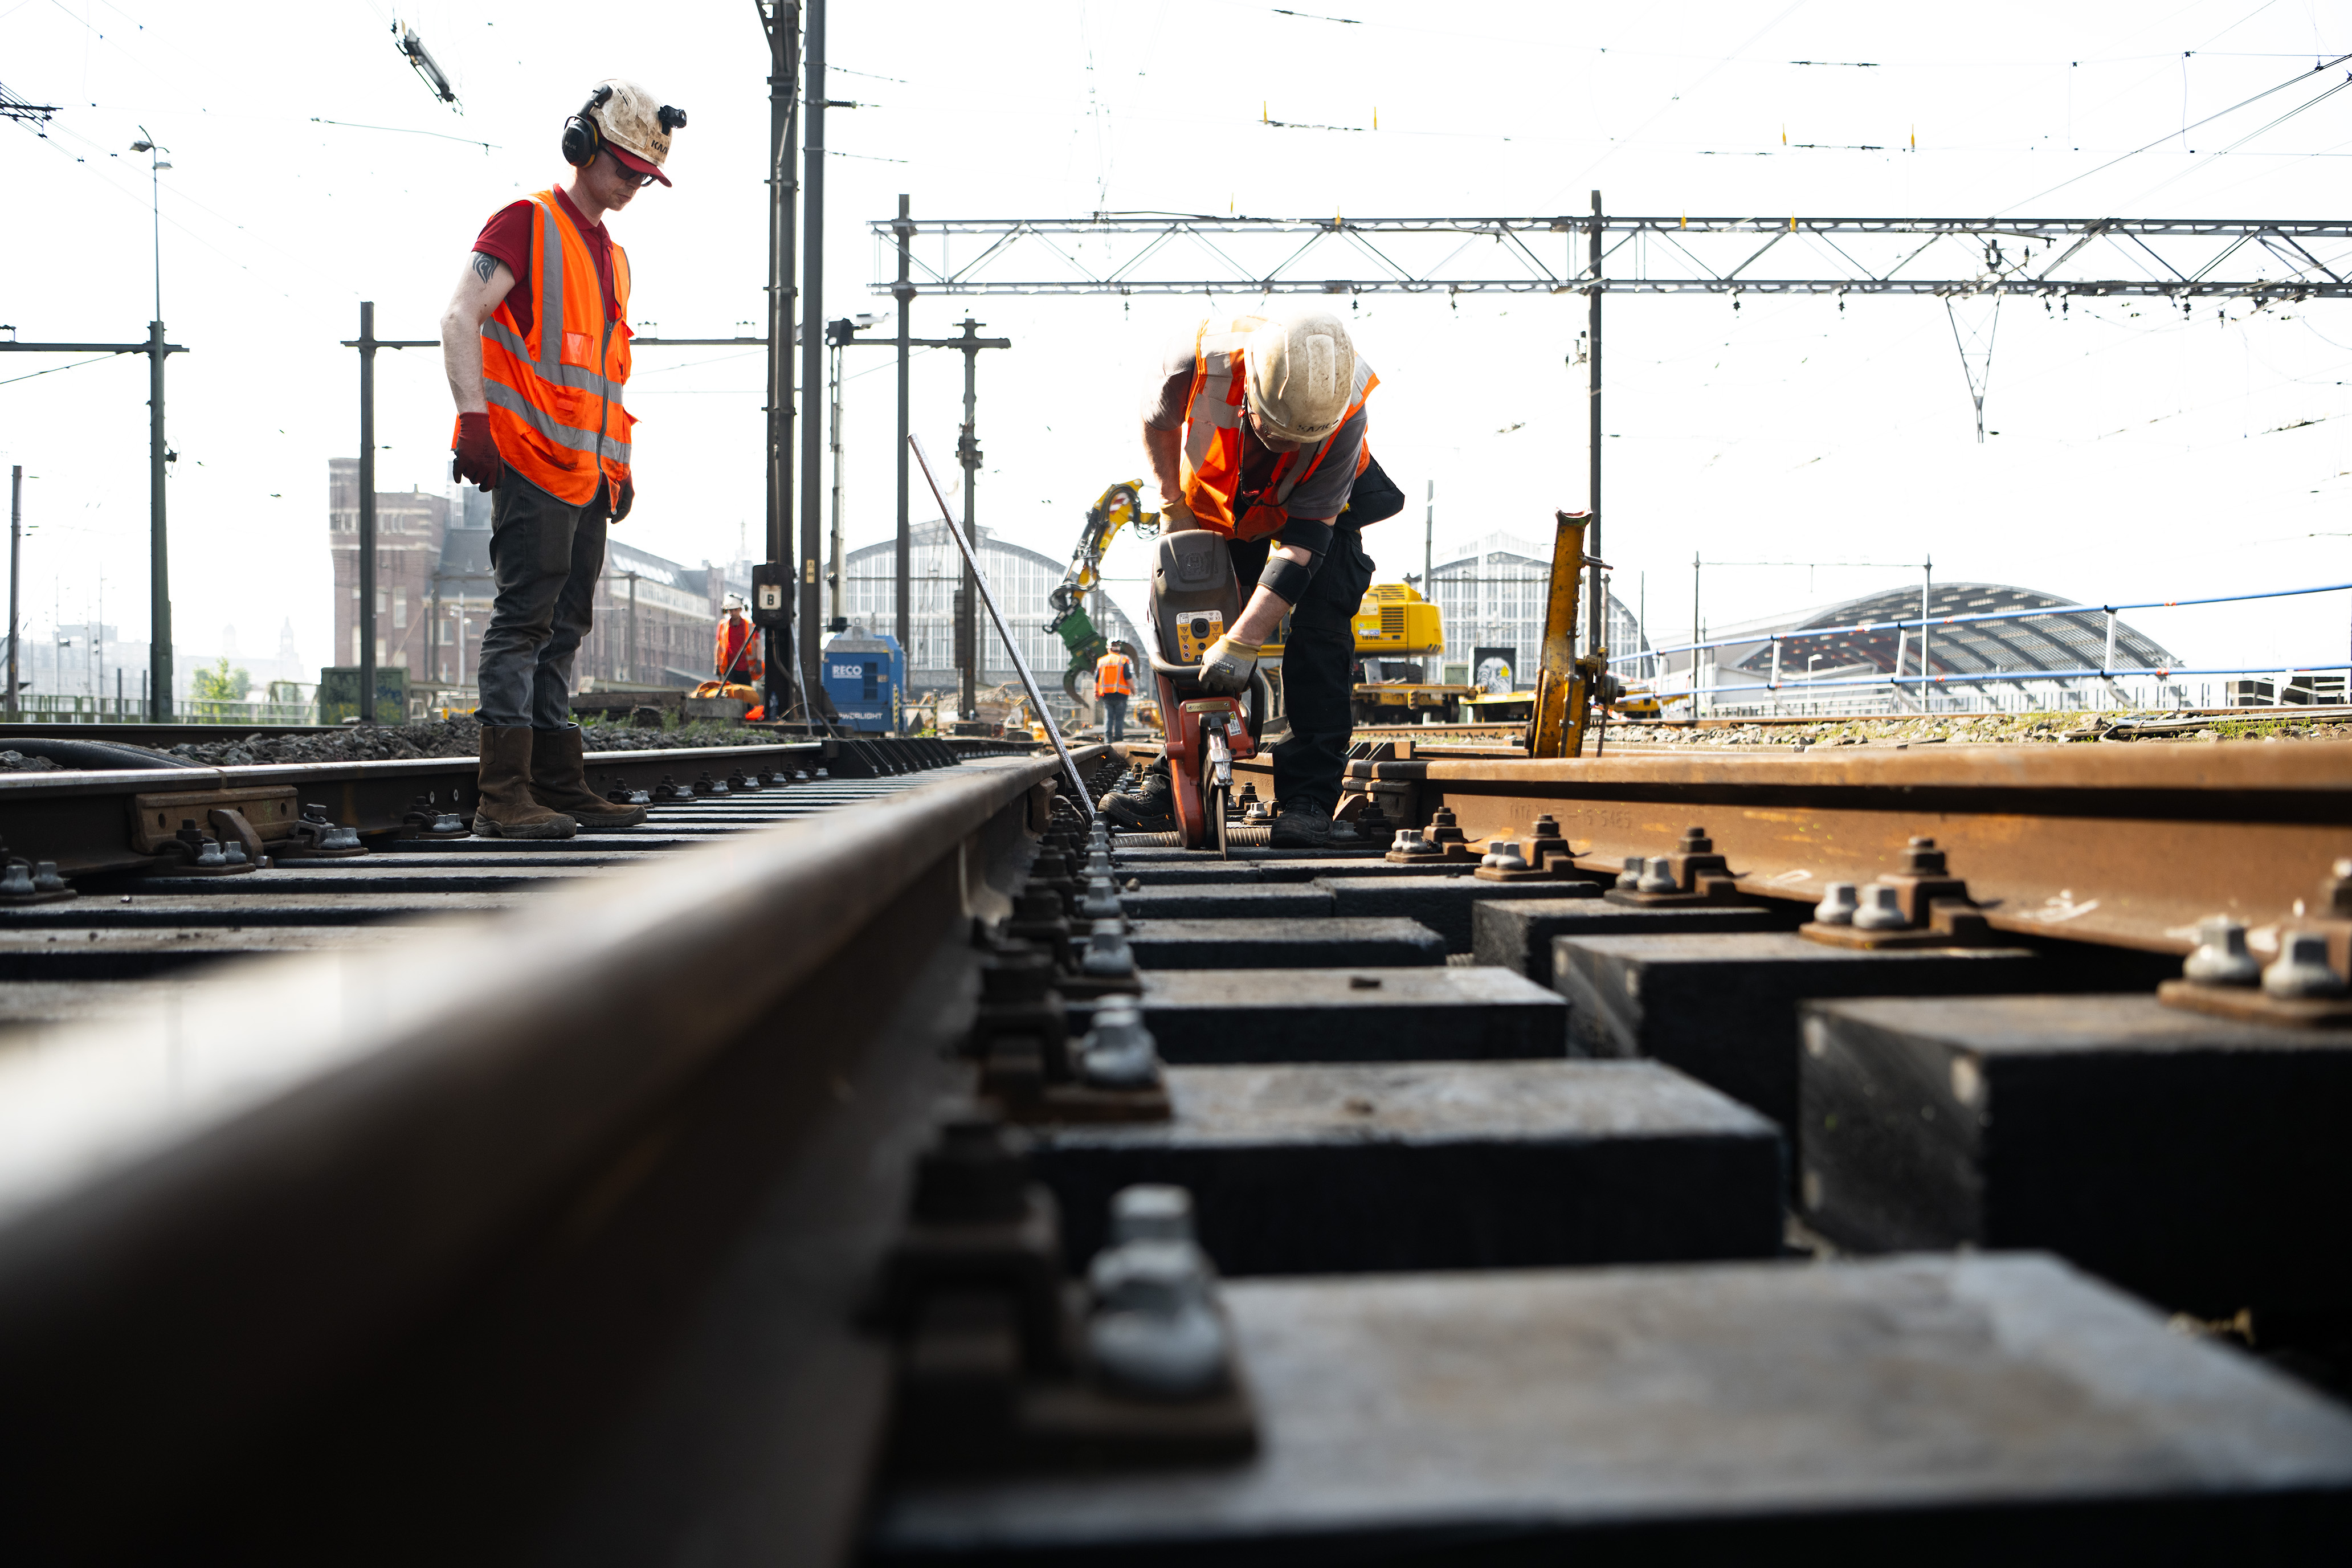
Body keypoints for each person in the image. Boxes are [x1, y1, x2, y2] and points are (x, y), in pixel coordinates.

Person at [441, 79, 685, 838]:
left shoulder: (613, 259)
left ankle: (557, 781)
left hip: (586, 477)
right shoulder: (528, 223)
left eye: (646, 176)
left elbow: (602, 377)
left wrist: (620, 463)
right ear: (582, 148)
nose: (634, 186)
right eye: (625, 169)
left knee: (567, 627)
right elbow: (460, 317)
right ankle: (502, 798)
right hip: (529, 463)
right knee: (522, 625)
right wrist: (472, 420)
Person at [1100, 307, 1404, 847]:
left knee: (1323, 631)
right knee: (1189, 622)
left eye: (1298, 440)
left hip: (1313, 512)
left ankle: (1308, 801)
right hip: (1217, 507)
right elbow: (1159, 424)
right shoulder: (1191, 363)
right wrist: (1172, 501)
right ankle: (1177, 781)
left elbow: (1305, 541)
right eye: (1275, 433)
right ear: (1250, 395)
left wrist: (1243, 641)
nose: (1285, 448)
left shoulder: (1347, 410)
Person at [1094, 640, 1136, 741]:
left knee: (1108, 718)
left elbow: (1096, 679)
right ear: (1119, 649)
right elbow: (1128, 676)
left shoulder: (1102, 661)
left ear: (1109, 648)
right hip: (1121, 696)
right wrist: (1133, 689)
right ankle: (1118, 739)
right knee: (1119, 718)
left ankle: (1108, 740)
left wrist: (1096, 693)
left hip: (1107, 695)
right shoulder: (1123, 660)